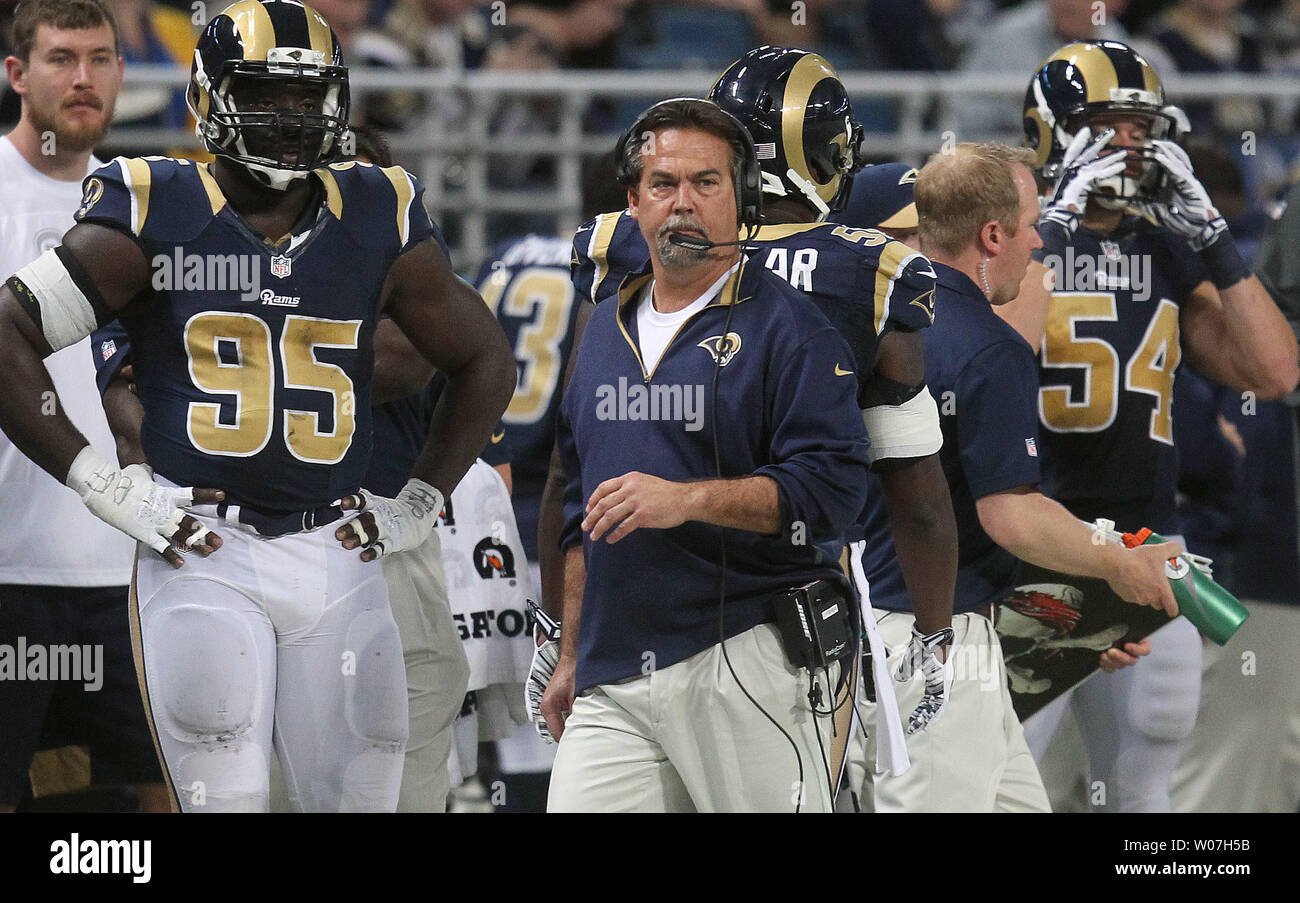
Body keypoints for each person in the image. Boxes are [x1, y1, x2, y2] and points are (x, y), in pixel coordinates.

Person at [0, 0, 515, 812]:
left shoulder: (379, 208)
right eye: (268, 92)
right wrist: (98, 480)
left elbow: (485, 357)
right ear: (210, 95)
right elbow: (9, 333)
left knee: (361, 796)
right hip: (206, 546)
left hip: (340, 547)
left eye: (310, 97)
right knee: (223, 795)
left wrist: (420, 499)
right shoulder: (153, 207)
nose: (292, 116)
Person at [566, 49, 959, 763]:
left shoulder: (621, 246)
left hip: (629, 611)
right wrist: (932, 634)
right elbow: (916, 490)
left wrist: (560, 630)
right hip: (784, 611)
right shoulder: (868, 268)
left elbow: (577, 457)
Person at [541, 97, 872, 812]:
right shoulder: (603, 326)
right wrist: (571, 653)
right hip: (614, 666)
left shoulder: (794, 329)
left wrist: (684, 499)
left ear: (742, 197)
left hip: (747, 654)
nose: (682, 204)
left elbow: (832, 492)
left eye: (706, 183)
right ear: (634, 202)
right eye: (663, 185)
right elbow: (579, 512)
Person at [1010, 39, 1298, 812]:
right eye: (1105, 128)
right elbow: (980, 351)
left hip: (1149, 545)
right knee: (1001, 782)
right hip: (1025, 551)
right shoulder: (1005, 232)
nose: (1128, 150)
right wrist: (1057, 223)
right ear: (1052, 134)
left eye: (1141, 130)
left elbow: (1275, 372)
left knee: (1145, 791)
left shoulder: (1167, 244)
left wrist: (1211, 240)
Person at [849, 142, 1180, 814]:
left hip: (873, 621)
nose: (1039, 244)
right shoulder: (986, 345)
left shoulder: (873, 324)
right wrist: (1118, 563)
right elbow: (1010, 515)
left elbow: (955, 513)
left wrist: (1076, 618)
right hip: (933, 637)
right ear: (991, 235)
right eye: (1031, 225)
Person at [0, 0, 167, 814]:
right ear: (16, 73)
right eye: (61, 58)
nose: (83, 78)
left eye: (100, 59)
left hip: (129, 561)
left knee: (169, 784)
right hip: (5, 561)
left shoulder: (147, 204)